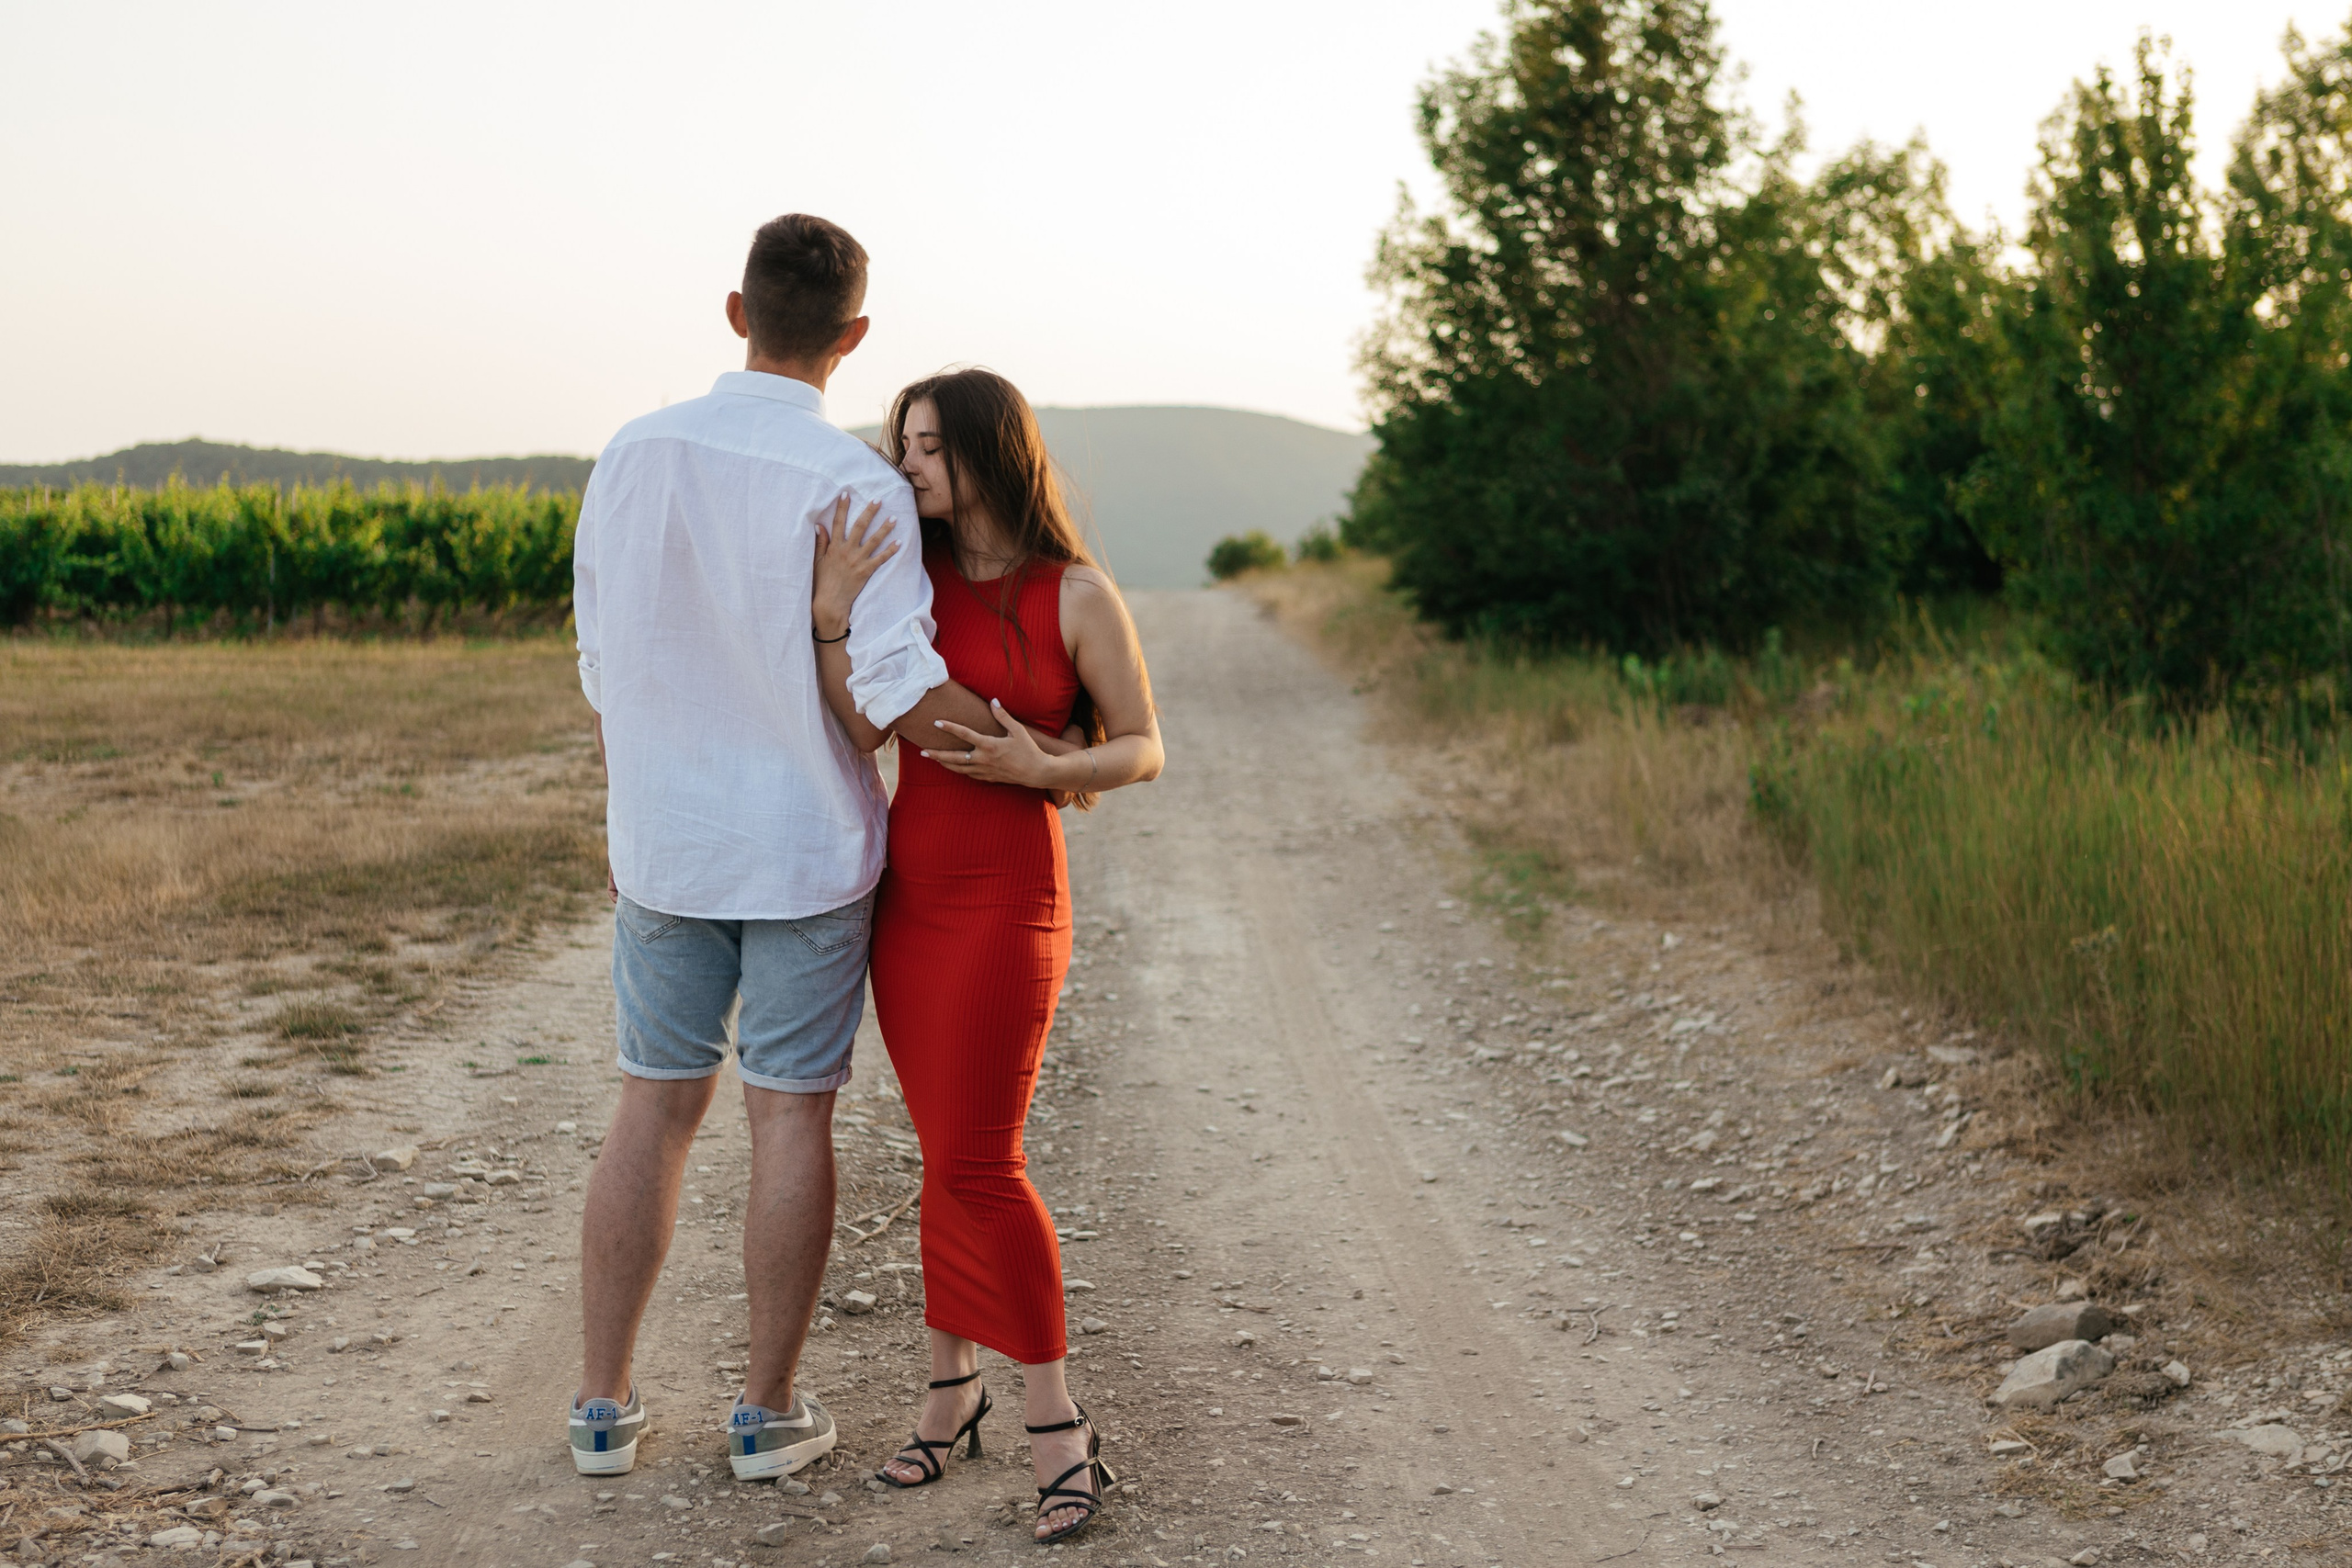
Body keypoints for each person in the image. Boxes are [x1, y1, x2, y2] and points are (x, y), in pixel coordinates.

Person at [567, 218, 1080, 1482]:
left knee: (652, 1103)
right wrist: (1049, 752)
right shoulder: (856, 486)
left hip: (666, 849)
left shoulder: (631, 454)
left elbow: (601, 663)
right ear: (853, 336)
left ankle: (600, 1408)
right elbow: (897, 691)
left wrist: (643, 793)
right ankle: (767, 1412)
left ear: (736, 310)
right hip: (804, 852)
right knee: (790, 1113)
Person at [807, 368, 1166, 1543]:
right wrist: (832, 616)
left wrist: (1050, 768)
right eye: (899, 444)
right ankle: (949, 1392)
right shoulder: (905, 581)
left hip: (1011, 899)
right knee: (945, 1152)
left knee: (982, 1161)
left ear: (986, 453)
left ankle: (1057, 1424)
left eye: (926, 448)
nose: (903, 466)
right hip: (910, 899)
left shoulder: (1076, 593)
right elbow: (863, 721)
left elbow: (1143, 746)